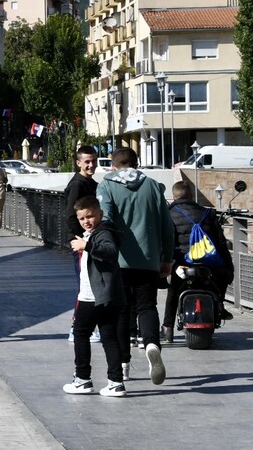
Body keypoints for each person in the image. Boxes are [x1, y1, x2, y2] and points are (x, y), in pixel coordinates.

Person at [96, 147, 174, 385]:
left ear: (114, 164)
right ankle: (151, 343)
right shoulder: (152, 185)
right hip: (148, 260)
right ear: (136, 163)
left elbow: (105, 219)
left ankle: (123, 365)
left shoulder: (106, 185)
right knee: (147, 307)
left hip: (117, 260)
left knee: (121, 311)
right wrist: (167, 259)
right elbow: (167, 226)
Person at [63, 196, 127, 397]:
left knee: (81, 334)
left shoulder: (103, 233)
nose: (86, 221)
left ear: (100, 214)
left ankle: (82, 379)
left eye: (90, 216)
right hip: (103, 295)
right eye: (82, 218)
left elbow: (110, 252)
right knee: (109, 337)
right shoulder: (94, 233)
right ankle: (115, 382)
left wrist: (86, 246)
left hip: (93, 297)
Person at [163, 181, 235, 342]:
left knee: (173, 290)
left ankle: (168, 327)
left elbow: (167, 242)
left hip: (183, 261)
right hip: (207, 261)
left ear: (174, 197)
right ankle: (220, 305)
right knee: (220, 278)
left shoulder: (168, 214)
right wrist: (228, 267)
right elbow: (220, 243)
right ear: (191, 196)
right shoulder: (207, 213)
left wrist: (169, 264)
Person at [64, 145, 100, 343]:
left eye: (93, 160)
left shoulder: (90, 182)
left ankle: (86, 326)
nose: (91, 165)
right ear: (78, 163)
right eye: (87, 161)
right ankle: (77, 327)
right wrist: (78, 239)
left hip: (87, 242)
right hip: (81, 243)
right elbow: (70, 215)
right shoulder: (78, 184)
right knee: (84, 286)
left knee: (89, 284)